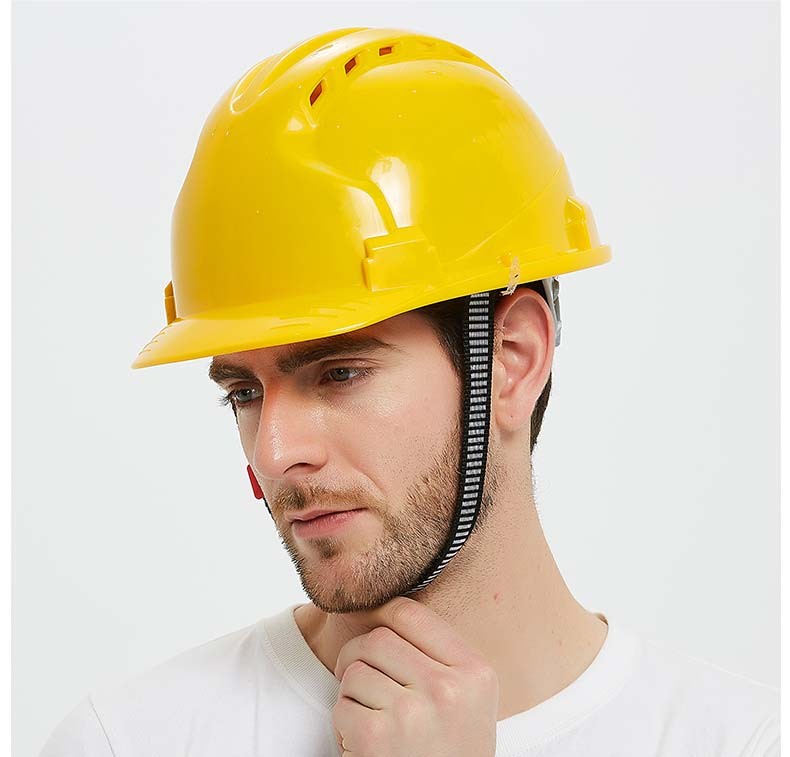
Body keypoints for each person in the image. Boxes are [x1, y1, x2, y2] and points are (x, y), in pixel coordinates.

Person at [41, 26, 778, 757]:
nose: (275, 452)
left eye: (339, 373)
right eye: (244, 392)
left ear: (513, 360)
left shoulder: (742, 742)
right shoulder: (126, 741)